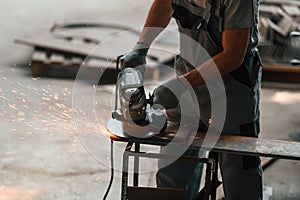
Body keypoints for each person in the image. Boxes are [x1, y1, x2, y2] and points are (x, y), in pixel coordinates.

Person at [121, 0, 263, 199]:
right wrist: (141, 46)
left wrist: (181, 85)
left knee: (238, 172)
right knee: (174, 167)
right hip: (189, 83)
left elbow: (233, 54)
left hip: (232, 92)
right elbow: (164, 4)